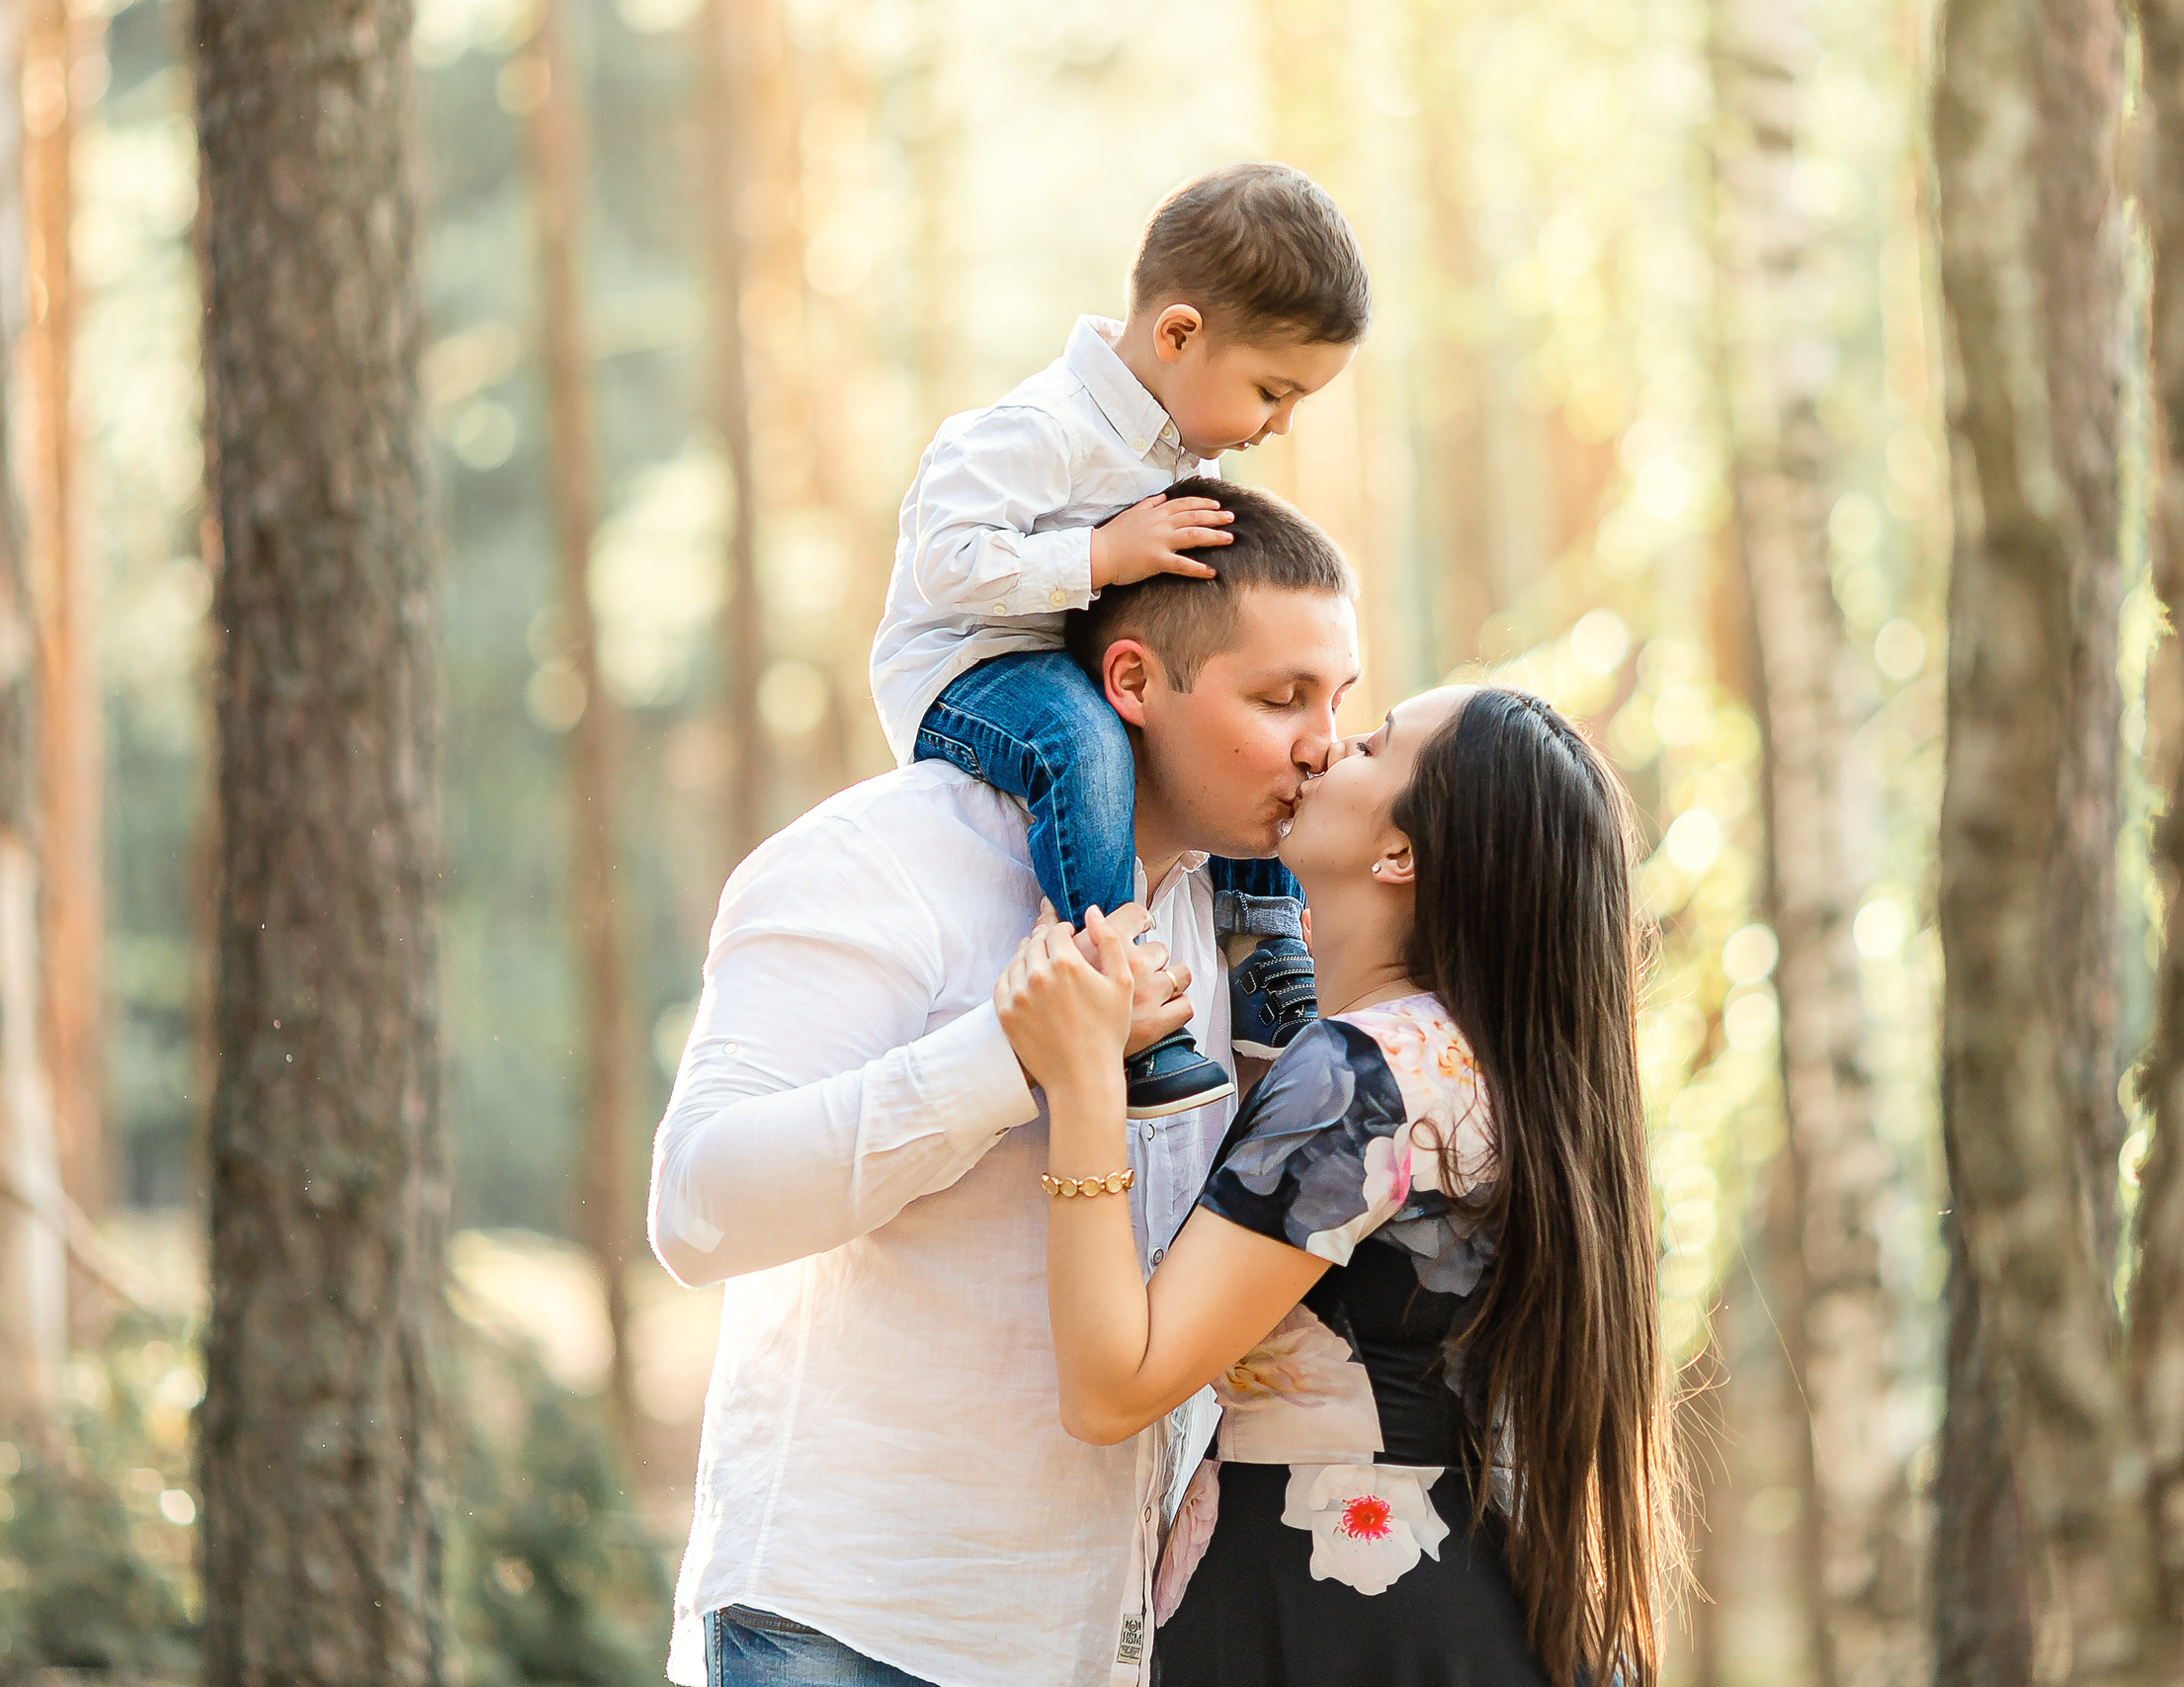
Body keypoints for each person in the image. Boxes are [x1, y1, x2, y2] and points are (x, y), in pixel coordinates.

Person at [646, 485, 1361, 1687]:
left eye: (1335, 701)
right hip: (851, 1629)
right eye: (1279, 698)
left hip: (1095, 1646)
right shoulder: (884, 859)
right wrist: (1005, 1057)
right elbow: (697, 1210)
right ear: (1132, 684)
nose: (1321, 744)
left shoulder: (1230, 925)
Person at [996, 686, 1678, 1687]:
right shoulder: (1500, 1070)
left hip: (1320, 1613)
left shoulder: (1359, 1073)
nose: (1321, 752)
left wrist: (1085, 1077)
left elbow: (1111, 1389)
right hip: (1481, 1606)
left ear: (1401, 854)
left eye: (1369, 745)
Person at [872, 160, 1373, 1121]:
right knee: (1085, 742)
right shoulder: (1034, 428)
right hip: (967, 666)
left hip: (1072, 657)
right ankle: (1120, 982)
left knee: (1242, 753)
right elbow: (944, 561)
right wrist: (1097, 555)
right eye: (1273, 391)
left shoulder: (1180, 438)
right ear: (1179, 334)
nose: (1280, 424)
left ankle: (1265, 952)